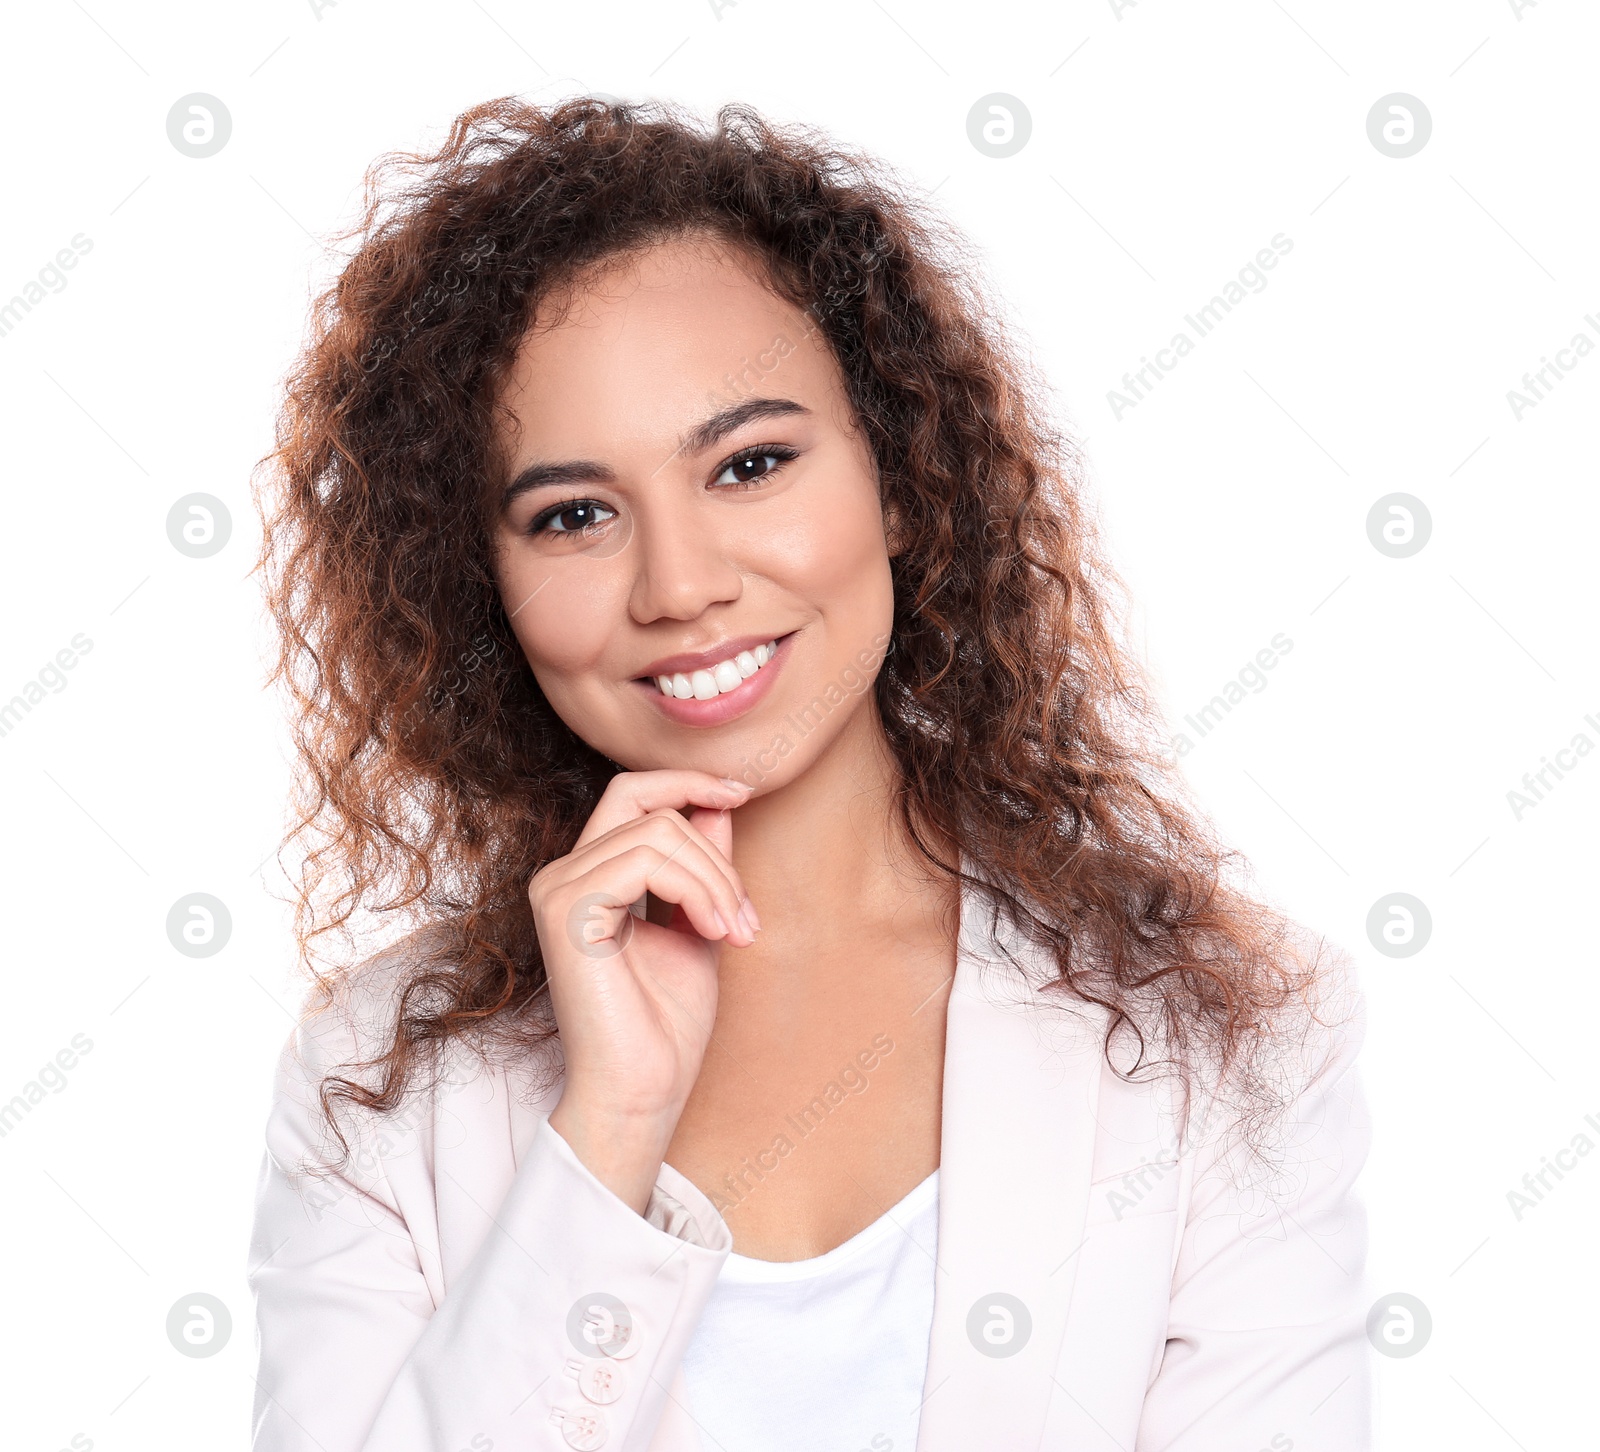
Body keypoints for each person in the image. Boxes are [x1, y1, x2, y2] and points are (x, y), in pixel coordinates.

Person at [247, 95, 1373, 1452]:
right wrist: (608, 1129)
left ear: (898, 476)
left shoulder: (1226, 1029)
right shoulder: (375, 1081)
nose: (680, 585)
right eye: (576, 515)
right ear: (482, 582)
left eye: (752, 462)